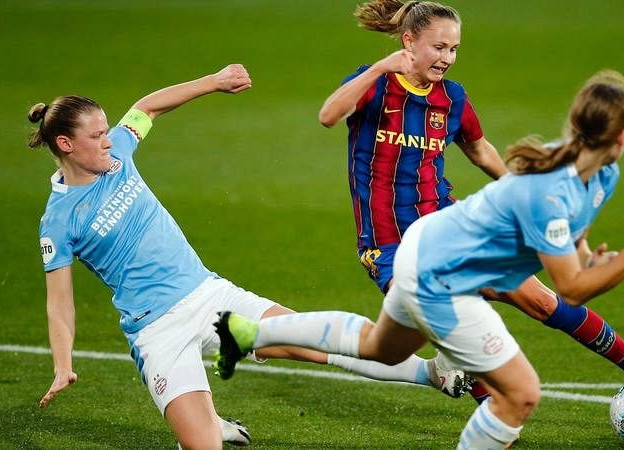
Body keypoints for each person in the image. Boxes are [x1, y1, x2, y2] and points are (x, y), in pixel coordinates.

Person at [215, 69, 624, 448]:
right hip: (443, 278)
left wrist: (589, 255)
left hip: (423, 248)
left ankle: (250, 331)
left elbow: (575, 235)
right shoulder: (550, 189)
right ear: (622, 136)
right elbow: (572, 290)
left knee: (383, 347)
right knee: (520, 395)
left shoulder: (594, 173)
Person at [31, 64, 468, 450]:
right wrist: (63, 365)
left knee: (310, 344)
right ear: (67, 145)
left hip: (209, 297)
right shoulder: (60, 221)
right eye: (97, 136)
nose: (109, 141)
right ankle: (207, 424)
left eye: (107, 131)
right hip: (156, 332)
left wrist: (214, 82)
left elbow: (148, 108)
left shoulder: (118, 156)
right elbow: (59, 301)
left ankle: (433, 373)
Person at [319, 0, 624, 422]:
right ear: (409, 41)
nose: (447, 58)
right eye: (439, 47)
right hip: (390, 245)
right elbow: (328, 116)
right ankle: (489, 407)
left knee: (542, 302)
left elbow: (480, 149)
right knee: (433, 323)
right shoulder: (374, 85)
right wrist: (380, 67)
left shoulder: (452, 98)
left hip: (453, 232)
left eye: (454, 49)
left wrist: (524, 191)